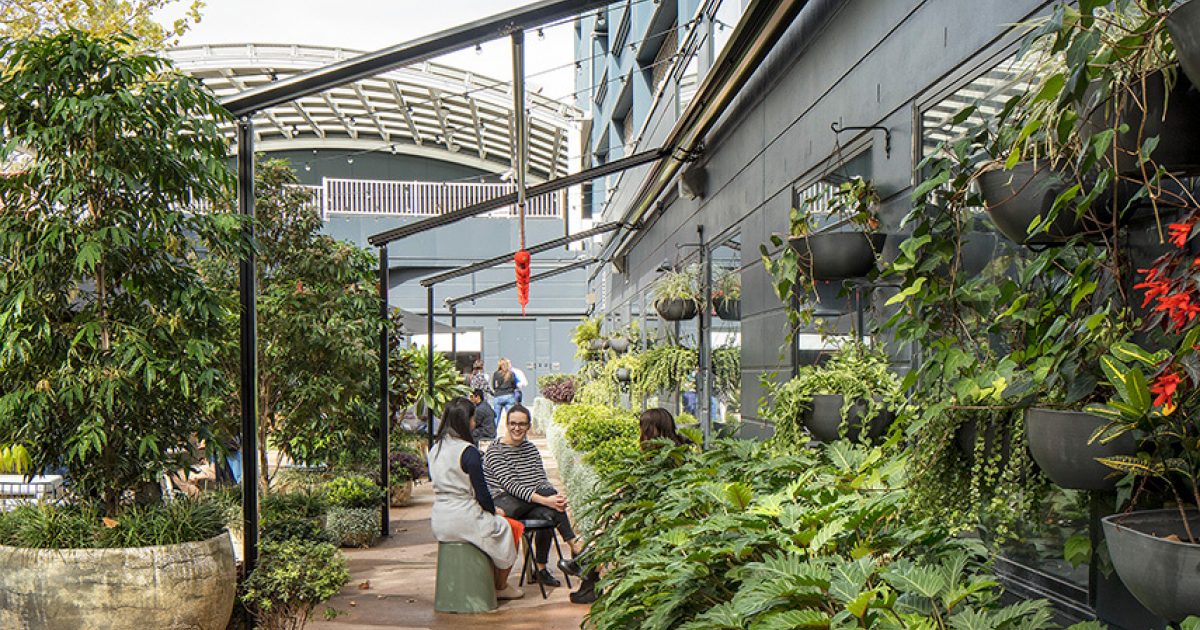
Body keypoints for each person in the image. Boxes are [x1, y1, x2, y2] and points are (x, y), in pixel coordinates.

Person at [561, 407, 691, 605]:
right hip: (654, 507)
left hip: (666, 512)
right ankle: (587, 571)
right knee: (612, 515)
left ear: (653, 430)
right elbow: (642, 482)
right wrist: (620, 493)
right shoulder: (666, 450)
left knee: (615, 520)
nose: (641, 434)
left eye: (643, 428)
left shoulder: (672, 455)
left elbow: (660, 488)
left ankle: (586, 567)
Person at [428, 397, 524, 600]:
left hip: (440, 520)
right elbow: (482, 494)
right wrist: (494, 510)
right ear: (466, 421)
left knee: (496, 528)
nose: (474, 423)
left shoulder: (434, 449)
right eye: (473, 418)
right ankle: (501, 585)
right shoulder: (468, 452)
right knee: (510, 527)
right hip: (464, 518)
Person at [483, 404, 584, 588]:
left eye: (522, 424)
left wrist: (554, 497)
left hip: (528, 502)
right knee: (549, 502)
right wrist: (547, 500)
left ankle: (541, 569)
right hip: (503, 502)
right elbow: (511, 486)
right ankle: (575, 545)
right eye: (513, 424)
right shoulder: (495, 451)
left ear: (528, 426)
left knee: (550, 512)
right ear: (507, 424)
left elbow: (541, 480)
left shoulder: (530, 449)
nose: (517, 428)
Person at [491, 358, 518, 425]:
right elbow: (514, 385)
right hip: (509, 395)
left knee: (496, 417)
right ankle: (512, 430)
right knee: (511, 417)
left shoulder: (496, 374)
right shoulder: (512, 374)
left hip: (498, 395)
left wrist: (497, 390)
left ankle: (493, 431)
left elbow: (494, 386)